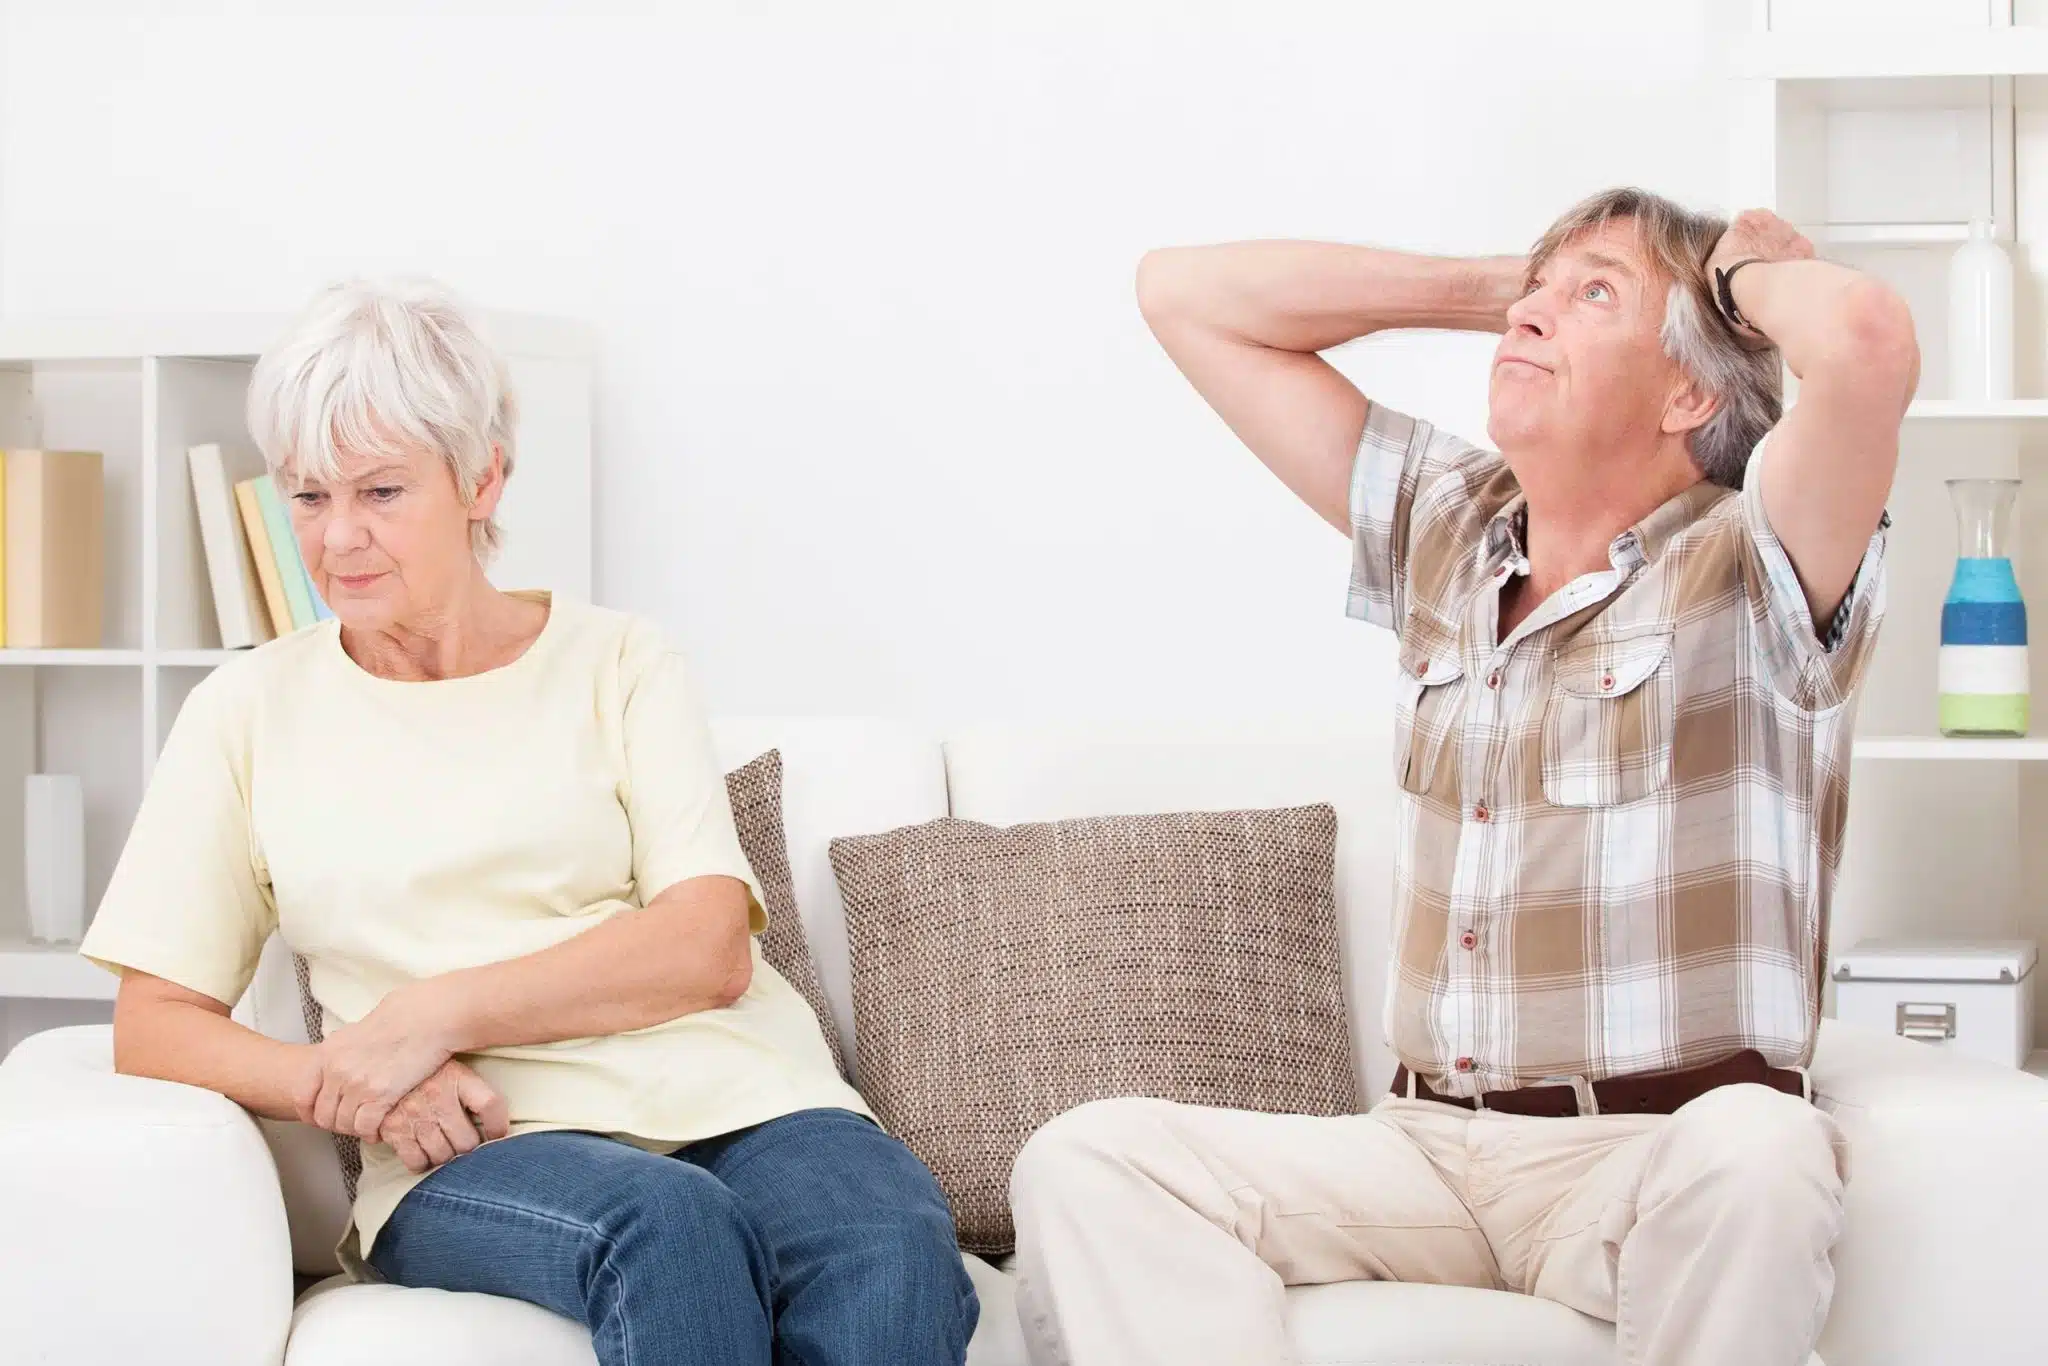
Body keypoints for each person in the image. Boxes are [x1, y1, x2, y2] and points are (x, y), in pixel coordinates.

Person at [1009, 188, 1917, 1365]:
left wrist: (1731, 282)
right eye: (1532, 297)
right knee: (1090, 1156)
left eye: (1592, 295)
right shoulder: (1450, 525)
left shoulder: (1756, 558)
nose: (1530, 318)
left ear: (1689, 390)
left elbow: (1863, 342)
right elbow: (1184, 296)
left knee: (1762, 1149)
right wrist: (1522, 287)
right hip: (1427, 1147)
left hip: (1651, 1149)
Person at [79, 277, 977, 1366]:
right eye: (308, 497)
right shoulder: (247, 712)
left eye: (381, 492)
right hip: (485, 1144)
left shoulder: (619, 661)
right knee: (669, 1226)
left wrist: (432, 1013)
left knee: (890, 1247)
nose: (339, 540)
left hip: (747, 1094)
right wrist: (357, 1082)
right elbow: (155, 1021)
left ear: (482, 476)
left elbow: (706, 945)